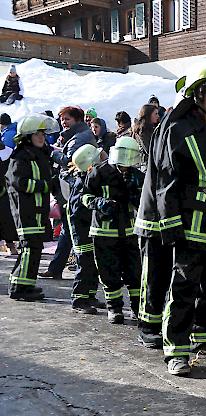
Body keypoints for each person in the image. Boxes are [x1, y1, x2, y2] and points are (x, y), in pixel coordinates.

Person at [153, 60, 206, 373]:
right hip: (189, 221)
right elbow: (166, 182)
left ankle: (201, 332)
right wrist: (170, 224)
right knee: (184, 286)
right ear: (197, 96)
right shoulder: (178, 129)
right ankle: (175, 350)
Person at [81, 136, 143, 324]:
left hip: (130, 232)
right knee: (109, 273)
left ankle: (136, 307)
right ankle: (114, 308)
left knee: (134, 272)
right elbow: (84, 196)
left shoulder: (136, 175)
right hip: (104, 233)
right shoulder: (99, 172)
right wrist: (99, 203)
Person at [6, 114, 58, 301]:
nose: (41, 137)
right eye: (37, 134)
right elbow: (20, 182)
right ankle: (19, 289)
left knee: (33, 247)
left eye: (43, 134)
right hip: (26, 210)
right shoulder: (21, 156)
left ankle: (23, 284)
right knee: (30, 247)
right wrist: (46, 185)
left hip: (37, 210)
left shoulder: (39, 154)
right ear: (28, 136)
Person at [40, 106, 95, 279]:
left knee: (74, 229)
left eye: (67, 119)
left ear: (77, 120)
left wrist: (51, 152)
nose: (63, 123)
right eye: (62, 119)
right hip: (70, 188)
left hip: (75, 188)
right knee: (67, 228)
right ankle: (56, 268)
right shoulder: (75, 135)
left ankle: (84, 272)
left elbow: (71, 162)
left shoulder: (81, 137)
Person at [68, 144, 105, 314]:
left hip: (87, 230)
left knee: (92, 264)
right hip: (81, 231)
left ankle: (90, 295)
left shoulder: (88, 179)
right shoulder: (81, 184)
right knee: (84, 264)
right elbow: (77, 211)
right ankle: (79, 299)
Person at [0, 113, 19, 255]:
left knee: (6, 218)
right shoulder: (10, 152)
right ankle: (10, 246)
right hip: (6, 189)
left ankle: (10, 245)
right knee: (7, 219)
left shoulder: (8, 151)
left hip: (5, 189)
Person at [132, 104, 160, 169]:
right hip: (148, 166)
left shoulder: (149, 129)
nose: (158, 116)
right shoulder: (143, 132)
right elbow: (150, 150)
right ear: (149, 115)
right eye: (155, 114)